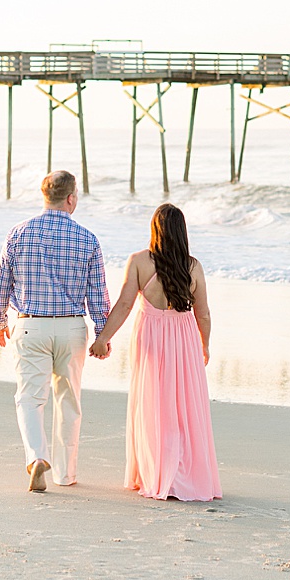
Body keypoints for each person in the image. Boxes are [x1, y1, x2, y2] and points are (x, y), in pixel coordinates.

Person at [90, 202, 220, 502]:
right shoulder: (193, 266)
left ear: (155, 229)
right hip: (184, 339)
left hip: (151, 337)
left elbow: (124, 305)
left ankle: (155, 472)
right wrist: (205, 343)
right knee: (184, 407)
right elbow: (204, 314)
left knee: (153, 404)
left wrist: (103, 338)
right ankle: (183, 474)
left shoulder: (139, 261)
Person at [0, 170, 109, 493]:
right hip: (71, 327)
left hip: (30, 325)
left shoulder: (18, 233)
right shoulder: (87, 239)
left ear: (45, 197)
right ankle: (66, 474)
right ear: (71, 198)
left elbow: (2, 283)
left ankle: (36, 457)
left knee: (30, 398)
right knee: (68, 401)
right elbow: (98, 294)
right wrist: (102, 334)